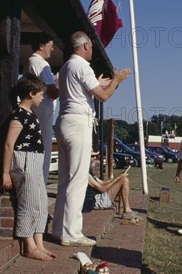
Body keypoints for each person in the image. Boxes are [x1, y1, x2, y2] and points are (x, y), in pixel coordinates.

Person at [52, 31, 130, 247]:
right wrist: (116, 80)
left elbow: (84, 90)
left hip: (64, 121)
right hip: (78, 124)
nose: (92, 51)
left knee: (64, 180)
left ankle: (59, 229)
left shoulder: (67, 66)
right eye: (91, 47)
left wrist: (99, 82)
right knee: (77, 180)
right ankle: (72, 233)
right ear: (85, 46)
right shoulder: (82, 66)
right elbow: (103, 96)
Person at [2, 75, 55, 261]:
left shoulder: (31, 114)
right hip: (24, 162)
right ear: (31, 93)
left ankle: (39, 243)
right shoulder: (19, 115)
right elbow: (9, 144)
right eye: (41, 94)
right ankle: (29, 245)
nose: (42, 98)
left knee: (41, 203)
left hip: (35, 162)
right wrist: (5, 172)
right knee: (29, 203)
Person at [24, 34, 58, 184]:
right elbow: (52, 92)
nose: (52, 49)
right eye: (50, 45)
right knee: (44, 148)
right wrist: (61, 82)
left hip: (39, 109)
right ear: (41, 45)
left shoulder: (32, 62)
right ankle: (40, 185)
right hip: (42, 110)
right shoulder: (39, 62)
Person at [83, 155, 138, 220]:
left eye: (95, 156)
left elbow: (103, 183)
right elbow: (102, 189)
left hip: (99, 198)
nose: (94, 158)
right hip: (97, 201)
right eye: (92, 156)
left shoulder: (89, 173)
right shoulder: (85, 174)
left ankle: (127, 209)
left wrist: (117, 177)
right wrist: (118, 178)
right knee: (124, 180)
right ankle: (127, 210)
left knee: (123, 179)